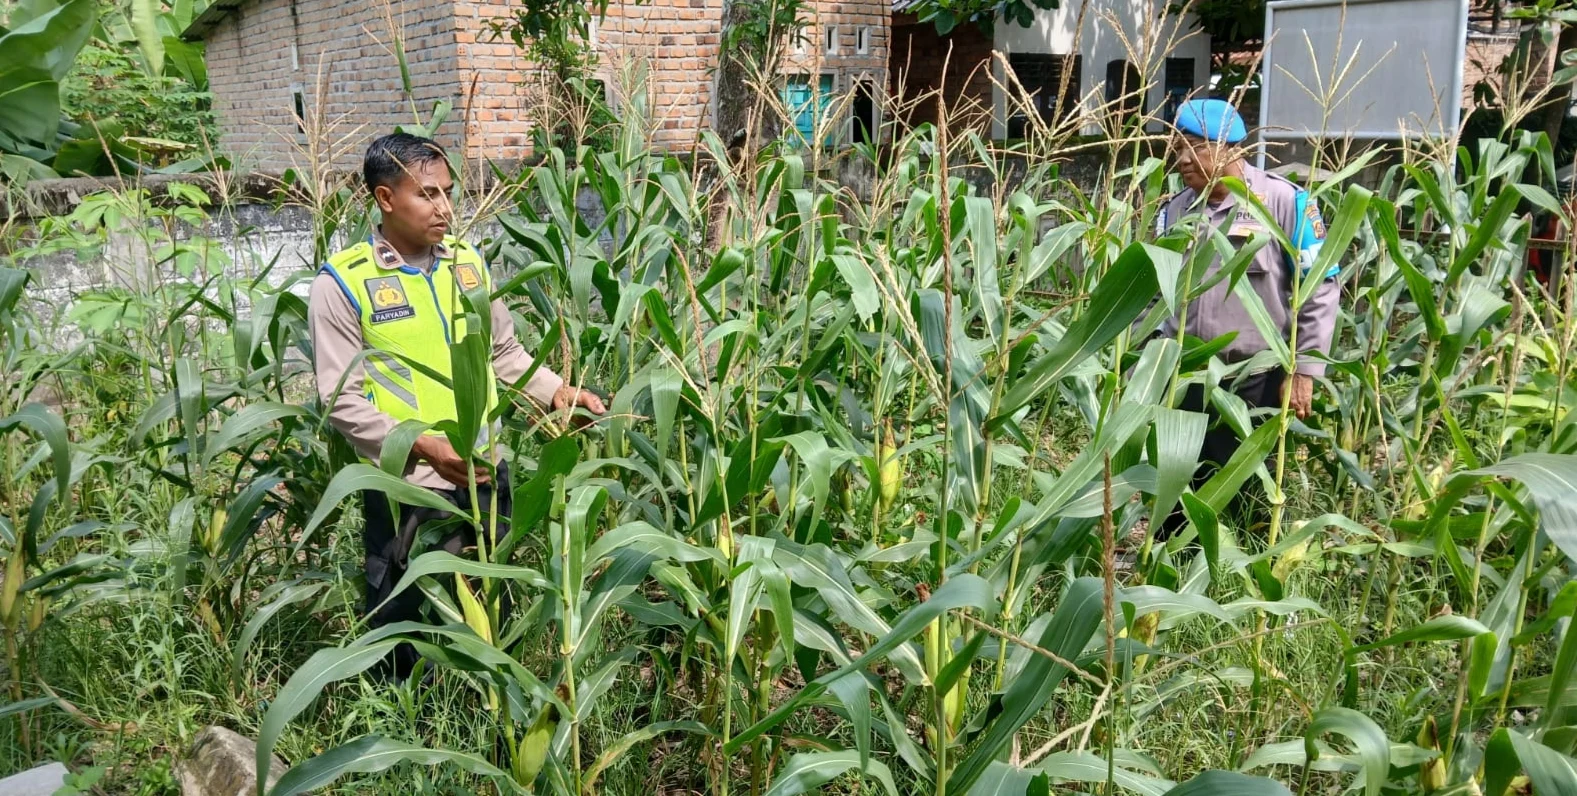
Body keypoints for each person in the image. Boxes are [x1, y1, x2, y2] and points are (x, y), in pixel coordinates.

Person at [309, 132, 607, 678]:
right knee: (406, 621)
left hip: (485, 471)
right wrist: (424, 446)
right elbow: (340, 398)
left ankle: (490, 709)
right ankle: (406, 717)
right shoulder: (345, 283)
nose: (445, 208)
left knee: (492, 610)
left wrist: (556, 393)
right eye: (427, 194)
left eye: (448, 192)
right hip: (410, 487)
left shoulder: (466, 264)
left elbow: (504, 353)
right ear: (385, 198)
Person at [1153, 99, 1339, 536]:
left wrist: (1304, 370)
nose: (1182, 159)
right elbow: (1155, 294)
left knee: (1244, 500)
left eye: (1194, 147)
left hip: (1252, 381)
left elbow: (1320, 287)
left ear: (1231, 148)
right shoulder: (1175, 210)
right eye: (1177, 148)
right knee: (1174, 499)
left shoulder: (1284, 202)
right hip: (1184, 378)